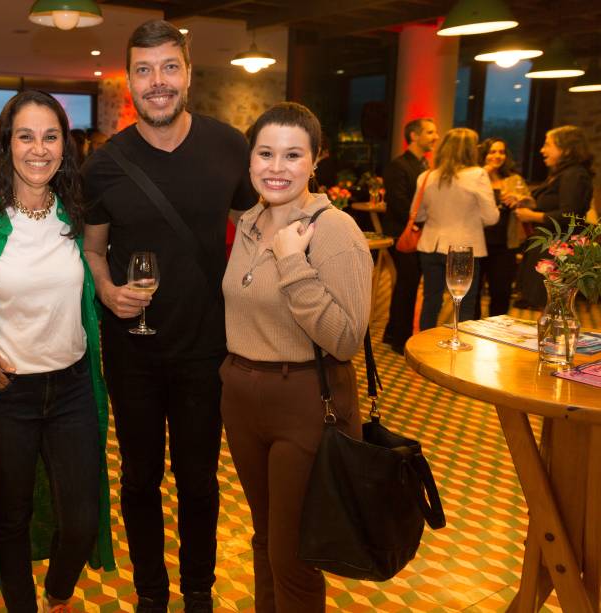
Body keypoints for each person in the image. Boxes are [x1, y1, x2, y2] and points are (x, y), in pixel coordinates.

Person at [82, 19, 256, 613]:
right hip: (131, 348)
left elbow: (262, 226)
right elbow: (92, 248)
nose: (157, 82)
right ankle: (152, 594)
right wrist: (105, 290)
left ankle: (200, 593)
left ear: (188, 72)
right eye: (144, 69)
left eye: (169, 67)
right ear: (129, 79)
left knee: (200, 480)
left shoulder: (230, 147)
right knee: (138, 479)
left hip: (208, 346)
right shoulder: (105, 164)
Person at [0, 90, 115, 613]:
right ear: (6, 144)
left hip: (74, 387)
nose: (39, 148)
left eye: (51, 136)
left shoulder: (75, 215)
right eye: (26, 136)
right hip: (6, 392)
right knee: (9, 517)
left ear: (66, 146)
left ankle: (57, 593)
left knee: (81, 517)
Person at [221, 101, 372, 612]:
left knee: (294, 556)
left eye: (292, 155)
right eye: (265, 153)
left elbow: (347, 339)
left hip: (305, 400)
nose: (276, 167)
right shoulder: (248, 222)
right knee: (265, 539)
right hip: (242, 397)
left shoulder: (335, 231)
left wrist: (293, 264)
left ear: (315, 162)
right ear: (250, 160)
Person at [415, 128, 499, 330]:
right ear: (472, 150)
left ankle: (422, 348)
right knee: (464, 305)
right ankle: (459, 351)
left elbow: (417, 215)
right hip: (464, 248)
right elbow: (492, 217)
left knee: (431, 301)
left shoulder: (426, 176)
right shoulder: (478, 175)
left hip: (430, 246)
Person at [514, 125, 595, 310]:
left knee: (547, 305)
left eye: (548, 144)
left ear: (566, 149)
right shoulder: (562, 173)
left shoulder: (574, 174)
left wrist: (531, 215)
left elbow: (570, 215)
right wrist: (532, 204)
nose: (542, 150)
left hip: (558, 250)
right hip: (548, 247)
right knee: (537, 304)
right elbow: (557, 205)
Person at [380, 117, 439, 354]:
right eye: (430, 132)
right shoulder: (399, 166)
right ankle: (399, 339)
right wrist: (427, 217)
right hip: (401, 235)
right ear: (414, 136)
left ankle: (393, 332)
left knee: (408, 285)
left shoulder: (424, 165)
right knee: (407, 285)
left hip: (416, 233)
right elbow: (399, 204)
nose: (435, 137)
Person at [473, 137, 532, 318]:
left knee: (501, 293)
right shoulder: (474, 176)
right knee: (472, 293)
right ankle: (471, 330)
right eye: (492, 152)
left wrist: (519, 198)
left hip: (505, 245)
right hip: (476, 242)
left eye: (501, 152)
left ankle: (495, 334)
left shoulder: (513, 179)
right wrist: (484, 172)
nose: (498, 156)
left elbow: (531, 202)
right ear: (484, 154)